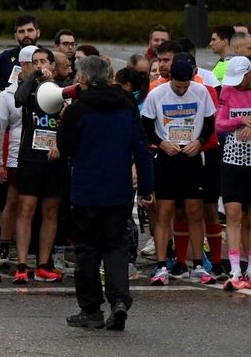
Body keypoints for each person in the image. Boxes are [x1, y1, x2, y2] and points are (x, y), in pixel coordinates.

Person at [59, 55, 154, 330]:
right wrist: (147, 187)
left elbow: (66, 148)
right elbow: (141, 147)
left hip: (87, 188)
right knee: (115, 246)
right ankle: (119, 300)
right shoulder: (127, 104)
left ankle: (91, 309)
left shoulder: (78, 108)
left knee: (87, 250)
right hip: (119, 188)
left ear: (85, 78)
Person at [141, 55, 217, 284]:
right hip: (167, 156)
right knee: (165, 212)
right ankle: (163, 265)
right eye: (178, 86)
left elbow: (210, 121)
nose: (182, 90)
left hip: (192, 156)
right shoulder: (157, 94)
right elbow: (146, 125)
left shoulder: (200, 91)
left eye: (185, 86)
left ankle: (198, 265)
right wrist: (161, 143)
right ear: (170, 79)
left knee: (195, 211)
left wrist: (200, 141)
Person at [12, 48, 69, 283]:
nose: (39, 64)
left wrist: (61, 143)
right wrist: (35, 75)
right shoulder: (29, 86)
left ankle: (44, 264)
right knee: (26, 208)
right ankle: (23, 264)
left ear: (53, 66)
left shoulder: (63, 89)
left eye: (43, 61)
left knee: (50, 210)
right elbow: (17, 100)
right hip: (30, 157)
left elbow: (72, 122)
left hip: (54, 159)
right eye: (35, 61)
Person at [214, 56, 251, 290]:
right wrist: (240, 120)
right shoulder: (227, 91)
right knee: (233, 213)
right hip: (233, 158)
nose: (236, 84)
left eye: (240, 80)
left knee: (250, 219)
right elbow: (219, 124)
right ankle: (236, 270)